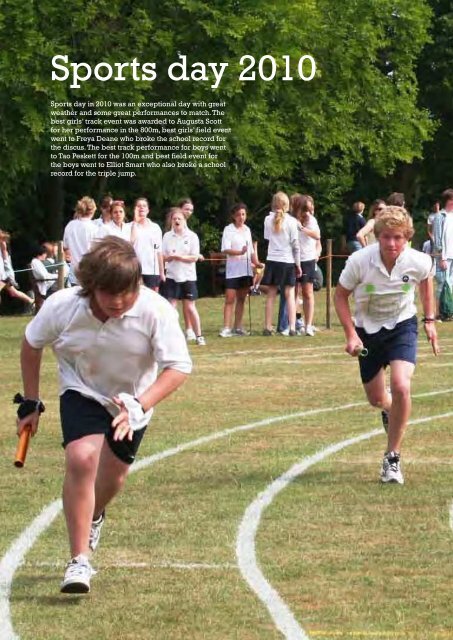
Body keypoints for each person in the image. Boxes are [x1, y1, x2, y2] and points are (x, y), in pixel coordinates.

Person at [16, 236, 192, 594]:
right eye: (108, 293)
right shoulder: (62, 306)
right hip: (81, 390)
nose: (117, 301)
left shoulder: (156, 310)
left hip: (132, 401)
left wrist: (139, 405)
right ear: (91, 286)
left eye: (125, 292)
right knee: (81, 459)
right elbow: (32, 344)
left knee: (112, 481)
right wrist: (31, 402)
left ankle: (95, 513)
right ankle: (79, 561)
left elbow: (178, 367)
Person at [334, 206, 439, 485]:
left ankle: (392, 459)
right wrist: (350, 335)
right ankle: (389, 409)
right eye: (386, 238)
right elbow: (340, 297)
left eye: (398, 238)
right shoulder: (359, 261)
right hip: (367, 331)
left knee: (403, 385)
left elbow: (427, 283)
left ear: (407, 238)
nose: (392, 244)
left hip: (402, 325)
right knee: (377, 399)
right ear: (377, 237)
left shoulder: (418, 261)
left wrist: (429, 321)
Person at [161, 207, 206, 346]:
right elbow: (163, 256)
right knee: (171, 307)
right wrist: (169, 258)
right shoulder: (167, 236)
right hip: (172, 275)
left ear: (184, 220)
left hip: (188, 276)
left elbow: (194, 257)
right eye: (174, 219)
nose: (176, 221)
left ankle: (199, 336)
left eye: (179, 219)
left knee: (190, 307)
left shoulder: (192, 236)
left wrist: (179, 257)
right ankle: (172, 336)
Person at [218, 203, 262, 337]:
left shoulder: (247, 230)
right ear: (233, 216)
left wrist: (257, 263)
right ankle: (226, 327)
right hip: (233, 270)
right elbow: (225, 249)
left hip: (246, 269)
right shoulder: (228, 230)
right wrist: (239, 252)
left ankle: (238, 327)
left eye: (243, 214)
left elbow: (251, 251)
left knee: (242, 299)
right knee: (230, 299)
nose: (241, 217)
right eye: (238, 215)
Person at [261, 191, 301, 336]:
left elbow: (267, 238)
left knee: (271, 294)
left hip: (272, 259)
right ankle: (291, 327)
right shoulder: (292, 222)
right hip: (287, 260)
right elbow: (295, 245)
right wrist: (298, 264)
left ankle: (267, 326)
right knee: (289, 294)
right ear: (287, 205)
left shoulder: (267, 220)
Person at [291, 194, 321, 337]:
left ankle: (309, 325)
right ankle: (295, 322)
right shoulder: (291, 220)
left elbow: (316, 235)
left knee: (307, 292)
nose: (307, 213)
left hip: (307, 259)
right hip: (292, 258)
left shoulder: (311, 220)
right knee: (293, 292)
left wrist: (302, 228)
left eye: (309, 209)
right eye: (304, 209)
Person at [63, 196, 99, 285]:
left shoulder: (70, 225)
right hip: (90, 271)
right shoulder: (94, 228)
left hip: (74, 271)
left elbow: (65, 246)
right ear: (93, 210)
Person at [131, 197, 164, 292]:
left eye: (144, 206)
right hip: (135, 270)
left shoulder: (155, 227)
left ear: (148, 210)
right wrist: (134, 222)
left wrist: (161, 272)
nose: (141, 208)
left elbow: (159, 250)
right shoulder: (129, 226)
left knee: (152, 302)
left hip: (152, 270)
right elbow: (130, 243)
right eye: (138, 206)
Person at [0, 229, 35, 307]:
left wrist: (8, 273)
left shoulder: (2, 244)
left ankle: (32, 302)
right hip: (3, 274)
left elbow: (5, 260)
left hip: (3, 274)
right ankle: (32, 301)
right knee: (13, 292)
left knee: (13, 292)